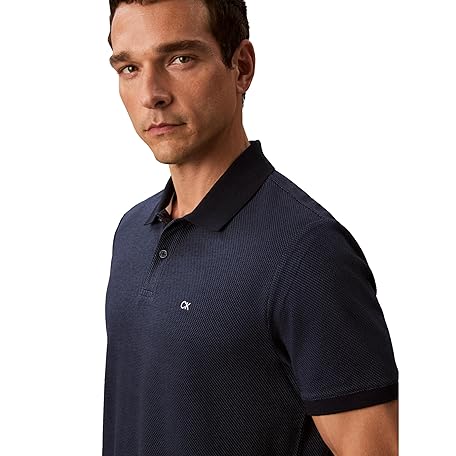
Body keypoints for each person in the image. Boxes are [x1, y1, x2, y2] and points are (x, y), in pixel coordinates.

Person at [103, 0, 399, 454]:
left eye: (180, 59)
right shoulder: (131, 233)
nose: (151, 94)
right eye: (129, 68)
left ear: (241, 67)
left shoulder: (308, 253)